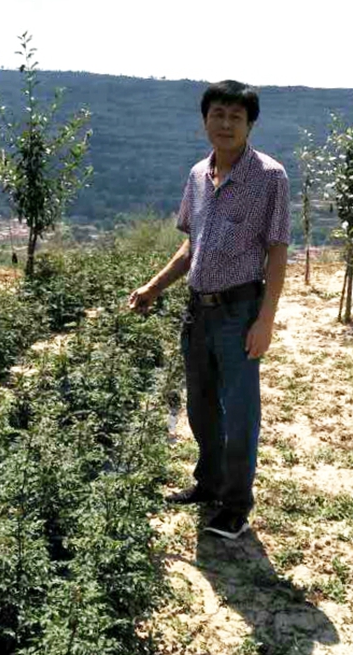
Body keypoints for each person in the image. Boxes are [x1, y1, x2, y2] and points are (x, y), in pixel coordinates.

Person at [128, 80, 290, 540]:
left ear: (250, 124)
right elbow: (191, 246)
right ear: (205, 120)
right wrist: (154, 287)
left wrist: (265, 321)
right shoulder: (199, 174)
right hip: (198, 310)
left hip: (240, 311)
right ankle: (209, 483)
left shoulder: (270, 177)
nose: (225, 124)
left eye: (236, 117)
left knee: (239, 413)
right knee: (201, 406)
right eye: (217, 114)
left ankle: (236, 506)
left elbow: (278, 251)